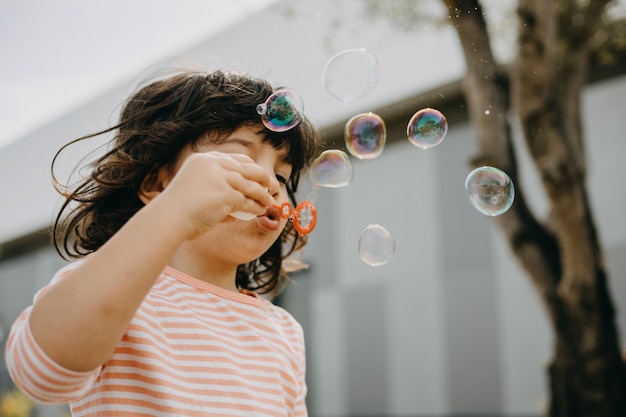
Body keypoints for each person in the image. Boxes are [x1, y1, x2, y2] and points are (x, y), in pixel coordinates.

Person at [4, 68, 320, 416]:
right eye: (240, 162)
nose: (270, 184)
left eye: (281, 176)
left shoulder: (283, 331)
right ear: (157, 186)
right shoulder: (118, 288)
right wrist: (175, 212)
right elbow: (40, 375)